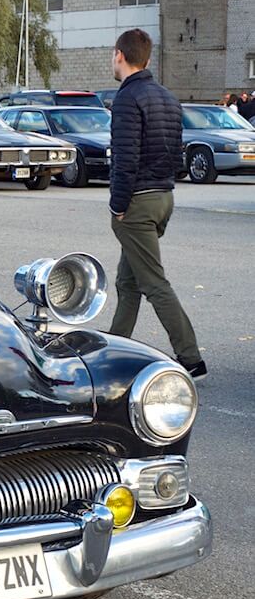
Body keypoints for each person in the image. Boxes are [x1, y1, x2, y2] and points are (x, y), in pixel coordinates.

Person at [107, 28, 205, 381]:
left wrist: (118, 205)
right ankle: (115, 347)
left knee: (153, 284)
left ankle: (191, 359)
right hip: (163, 197)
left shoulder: (127, 98)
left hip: (138, 203)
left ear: (120, 54)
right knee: (128, 282)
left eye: (112, 54)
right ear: (146, 58)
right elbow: (175, 154)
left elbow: (125, 157)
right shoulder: (167, 97)